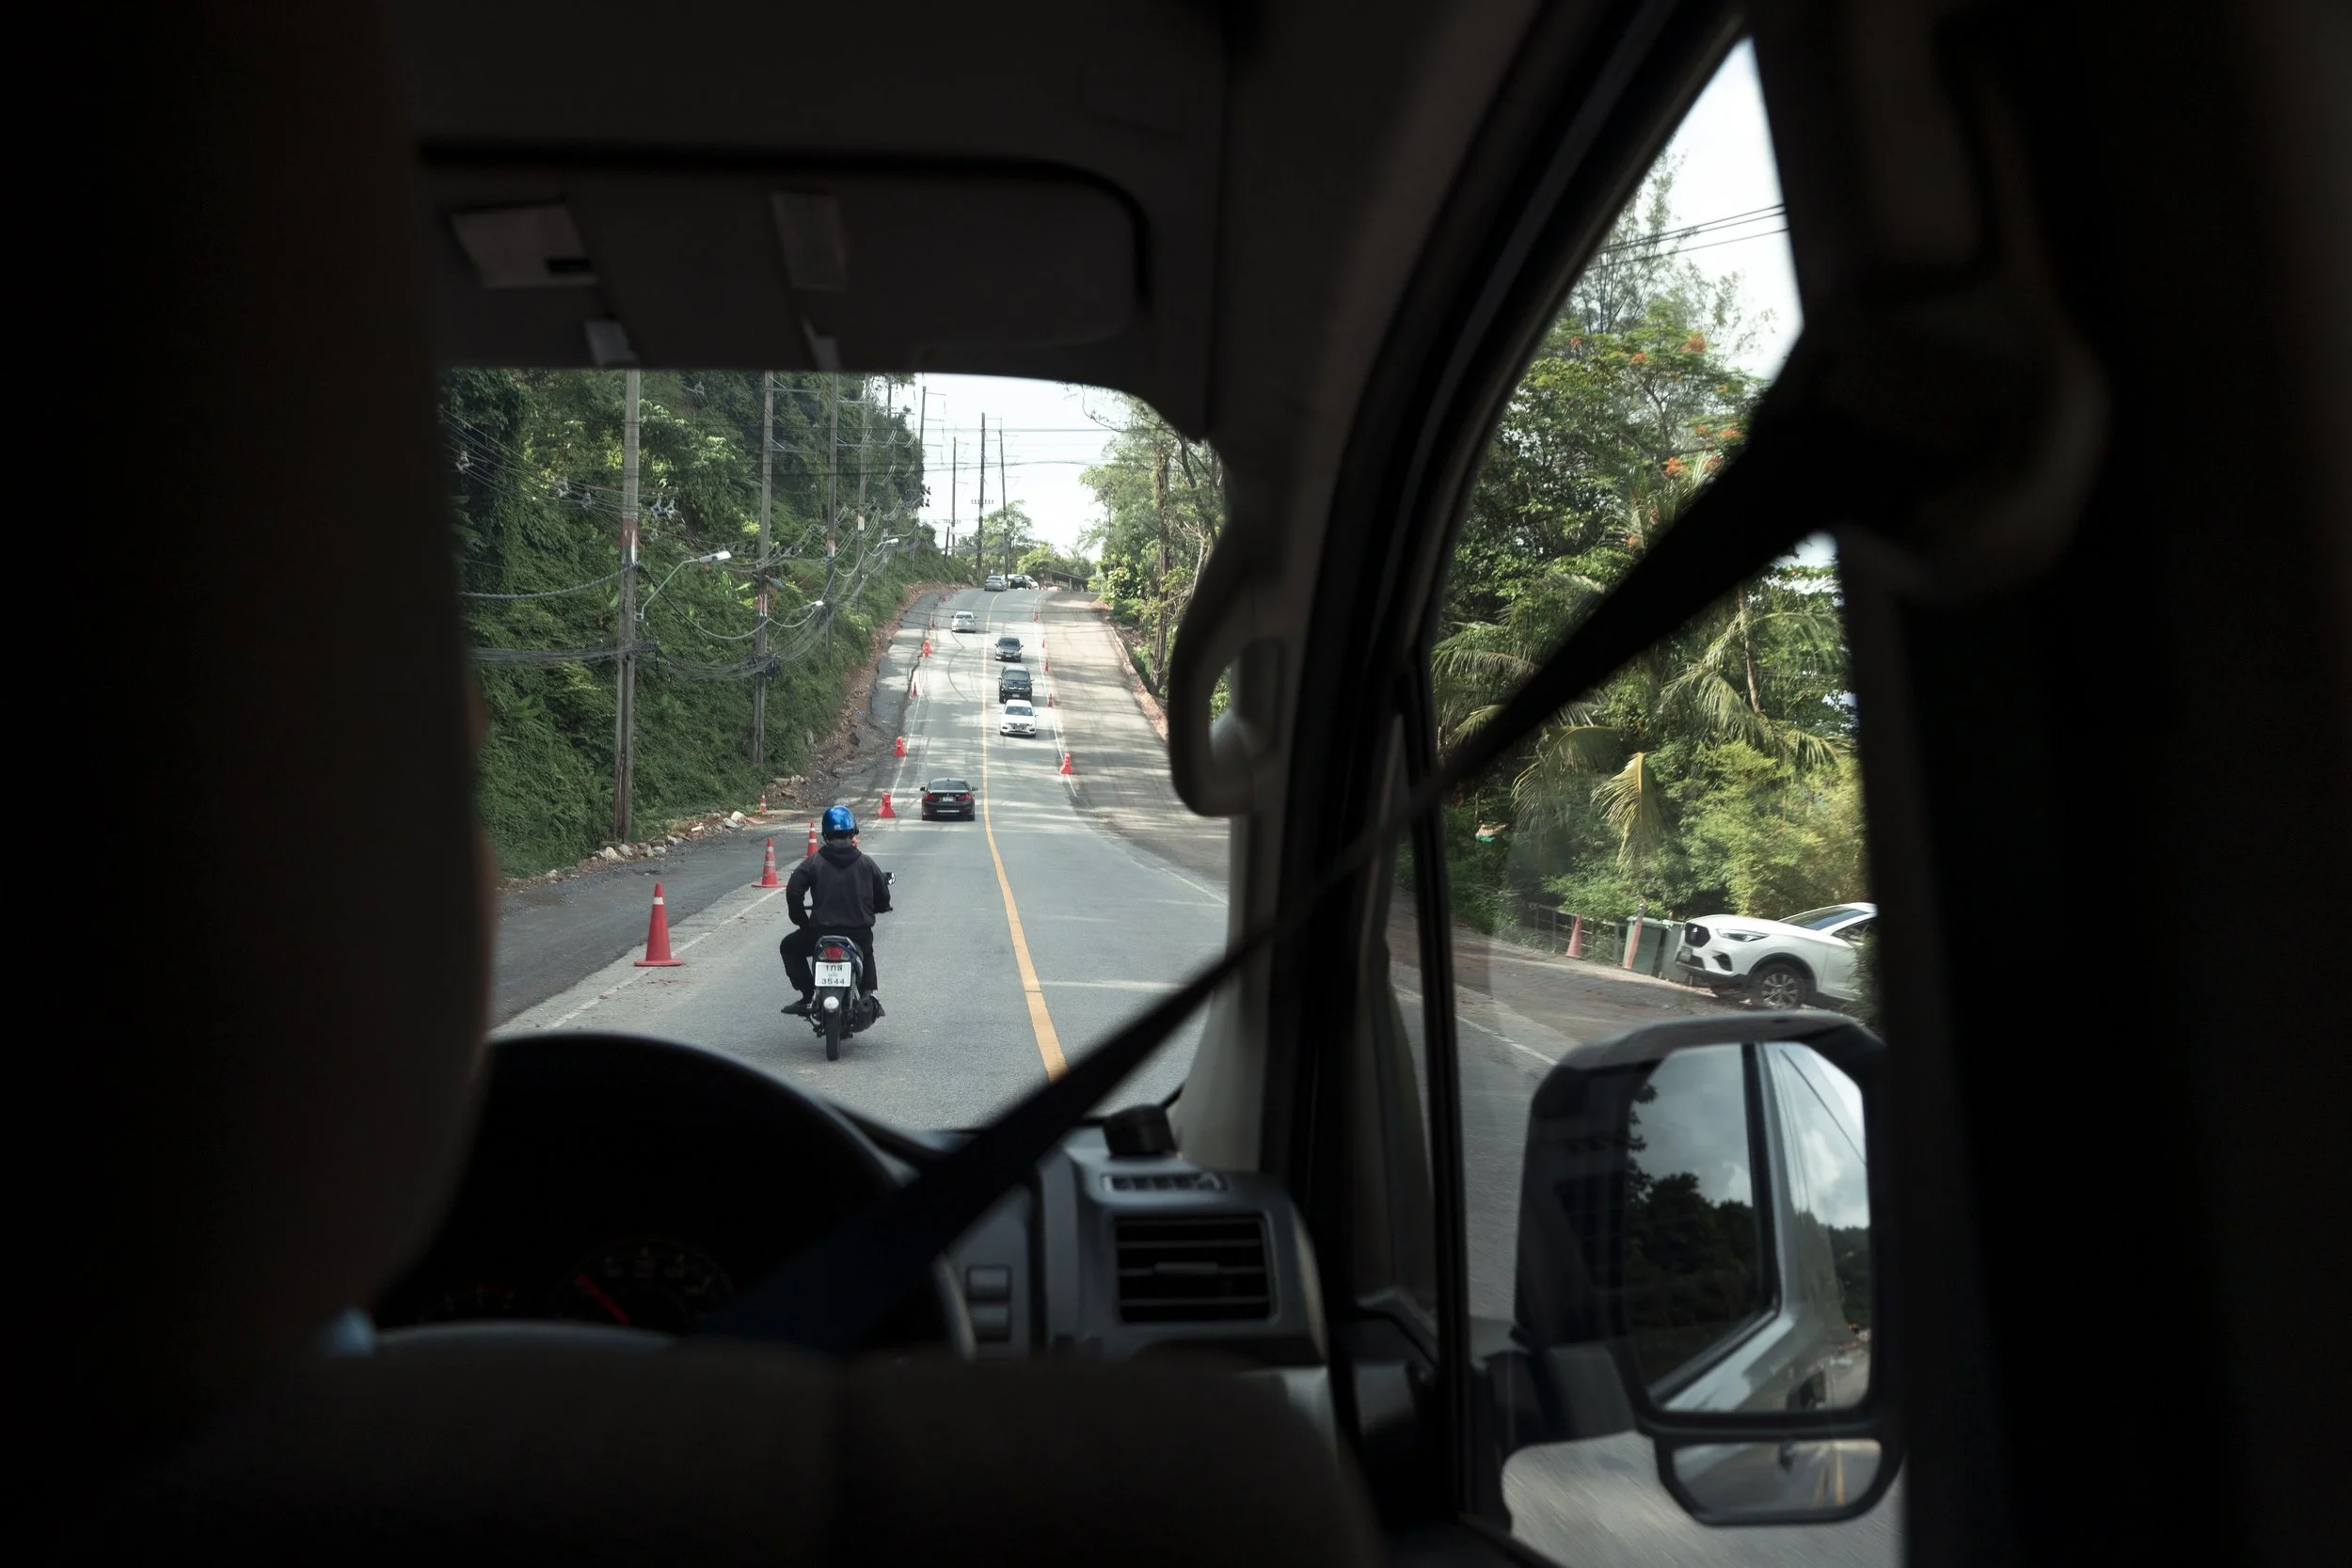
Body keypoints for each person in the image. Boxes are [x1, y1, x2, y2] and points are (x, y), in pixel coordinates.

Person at [779, 804, 891, 1016]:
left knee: (789, 947)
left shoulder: (813, 863)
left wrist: (802, 921)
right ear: (852, 833)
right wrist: (881, 907)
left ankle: (808, 994)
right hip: (858, 933)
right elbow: (883, 895)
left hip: (821, 933)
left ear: (825, 834)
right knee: (866, 950)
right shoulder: (867, 863)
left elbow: (794, 891)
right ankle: (867, 996)